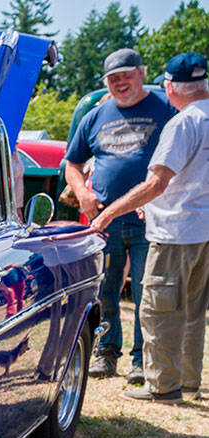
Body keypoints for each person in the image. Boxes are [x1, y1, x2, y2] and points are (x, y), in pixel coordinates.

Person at [92, 53, 209, 404]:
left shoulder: (183, 122)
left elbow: (158, 182)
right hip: (202, 231)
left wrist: (108, 212)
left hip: (174, 232)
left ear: (171, 86)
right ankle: (187, 381)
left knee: (159, 312)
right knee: (192, 310)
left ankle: (163, 387)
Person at [64, 47, 176, 384]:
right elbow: (73, 164)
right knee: (104, 290)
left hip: (150, 220)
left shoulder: (167, 110)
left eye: (127, 75)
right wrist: (83, 193)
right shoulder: (94, 117)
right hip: (103, 221)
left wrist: (158, 193)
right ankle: (105, 353)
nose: (120, 82)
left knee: (146, 294)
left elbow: (184, 159)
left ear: (142, 73)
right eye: (113, 78)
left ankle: (142, 361)